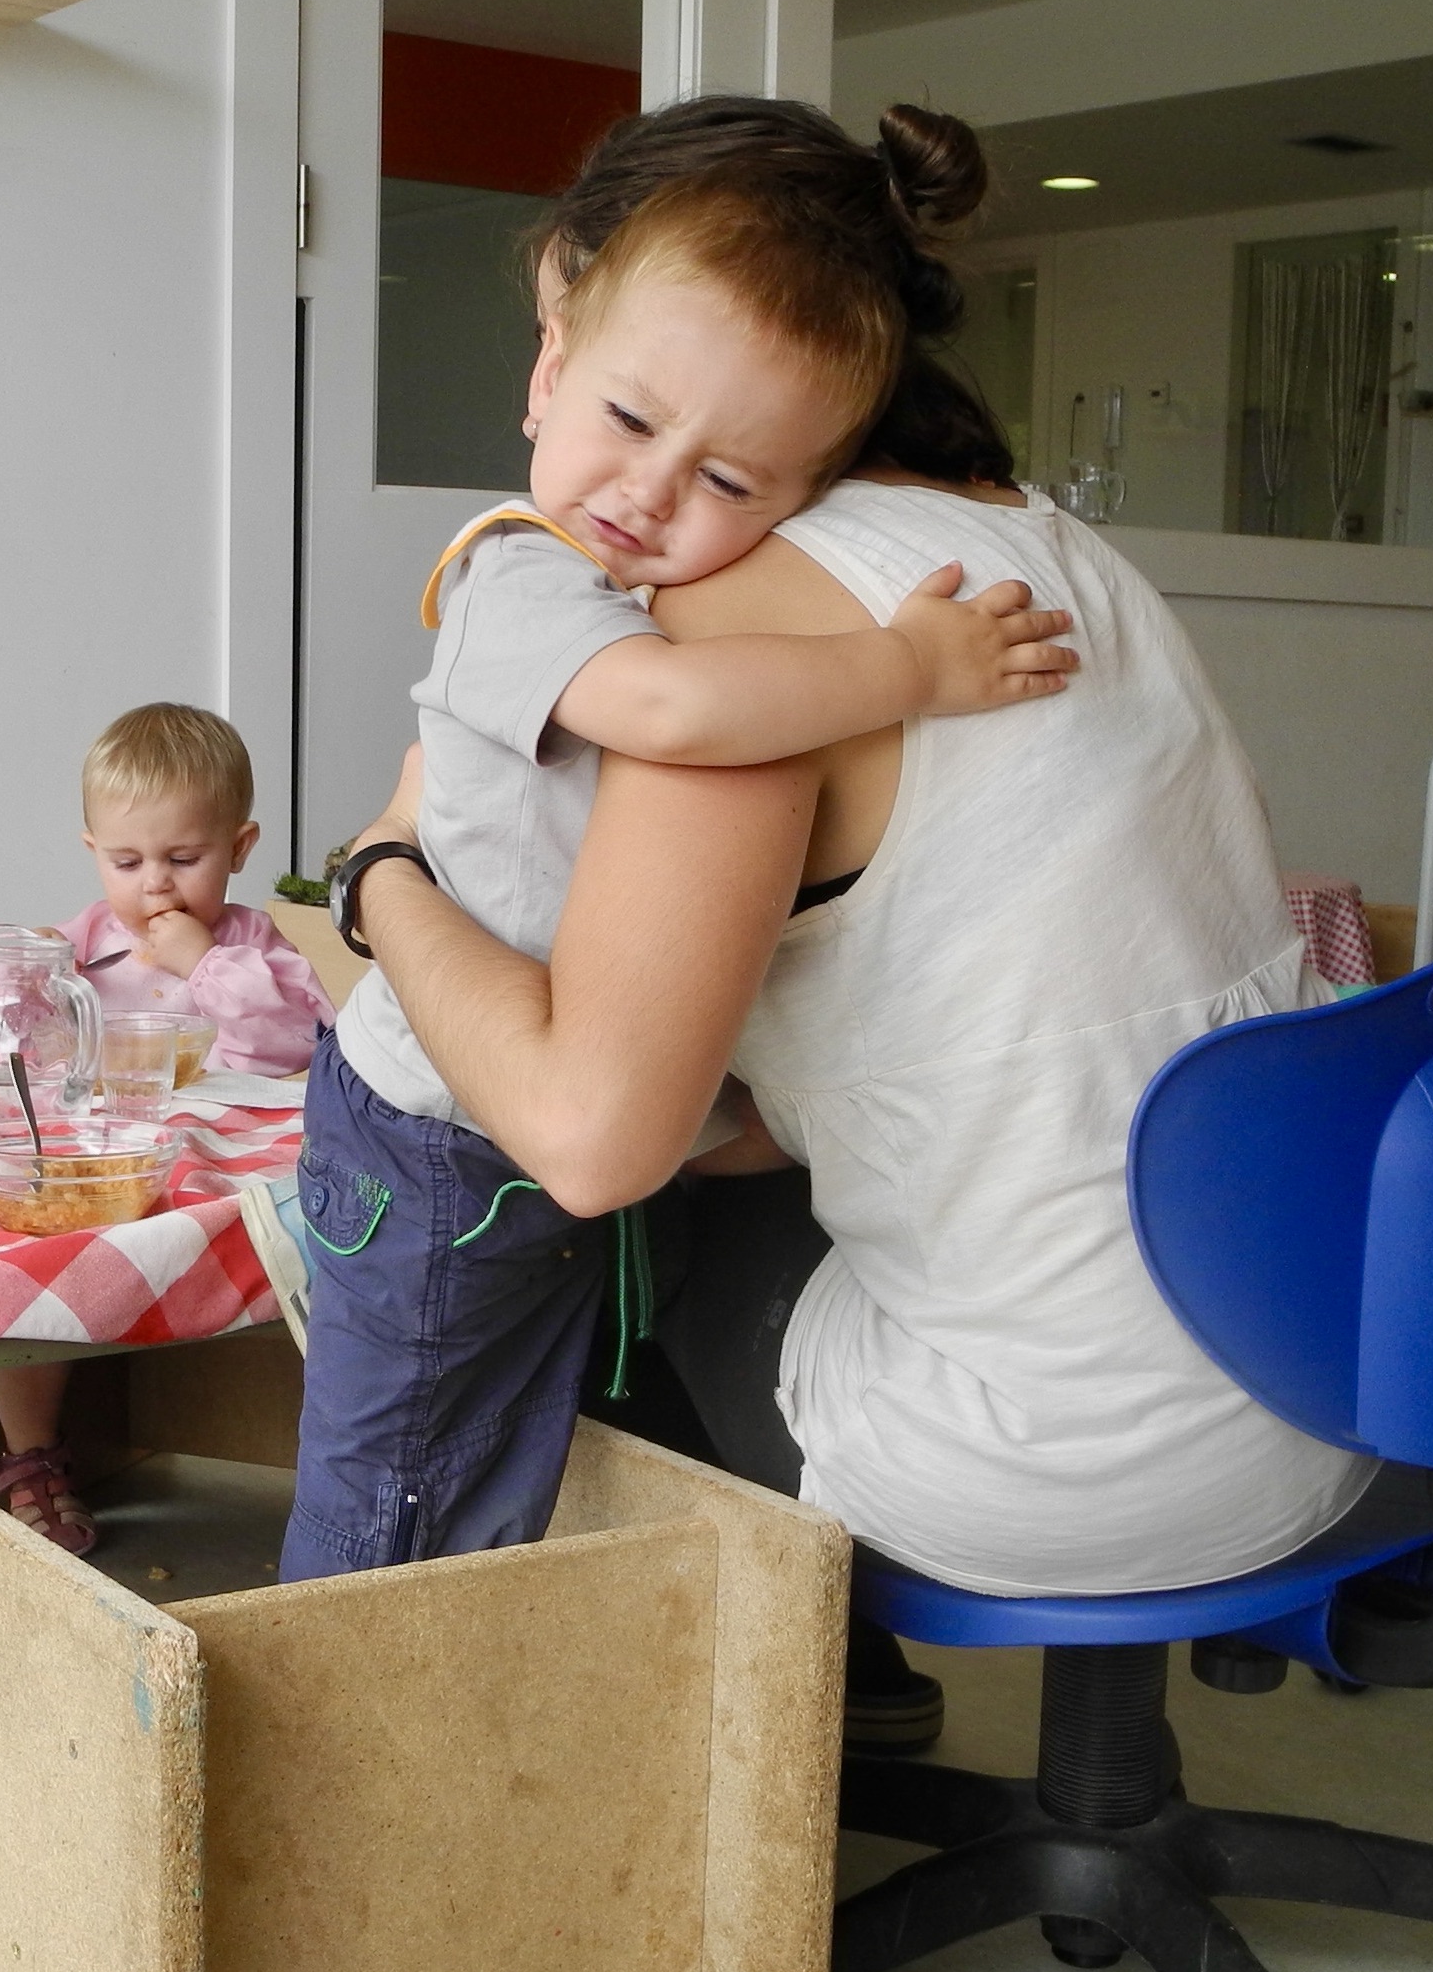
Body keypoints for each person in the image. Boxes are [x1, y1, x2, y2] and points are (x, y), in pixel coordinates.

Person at [329, 98, 1374, 1742]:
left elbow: (592, 1140)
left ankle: (702, 1764)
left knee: (567, 1230)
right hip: (1319, 1377)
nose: (655, 493)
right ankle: (849, 1720)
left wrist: (378, 880)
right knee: (726, 1146)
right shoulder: (1042, 548)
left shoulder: (741, 625)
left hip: (1060, 1453)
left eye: (722, 468)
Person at [284, 163, 1076, 1583]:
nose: (649, 494)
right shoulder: (516, 573)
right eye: (630, 421)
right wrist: (908, 666)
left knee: (516, 1475)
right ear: (549, 374)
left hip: (534, 1121)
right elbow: (672, 711)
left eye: (727, 482)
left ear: (805, 502)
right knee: (400, 1505)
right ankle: (344, 1695)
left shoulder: (635, 594)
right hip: (436, 1136)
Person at [0, 701, 333, 1553]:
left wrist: (206, 963)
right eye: (127, 862)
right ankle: (31, 1452)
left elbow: (291, 1042)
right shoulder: (75, 950)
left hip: (219, 1171)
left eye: (184, 859)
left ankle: (323, 1457)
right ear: (94, 852)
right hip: (103, 1174)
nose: (154, 884)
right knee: (30, 1255)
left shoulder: (254, 948)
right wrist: (21, 984)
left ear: (240, 847)